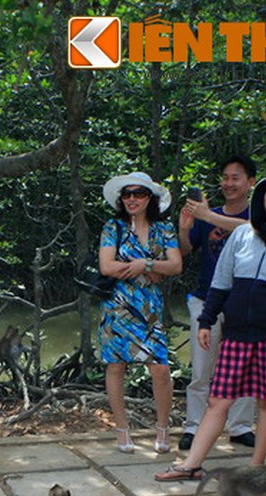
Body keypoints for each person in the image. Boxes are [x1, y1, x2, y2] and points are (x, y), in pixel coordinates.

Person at [155, 170, 266, 481]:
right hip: (237, 334)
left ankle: (256, 469)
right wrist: (206, 320)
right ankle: (191, 465)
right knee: (219, 399)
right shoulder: (243, 235)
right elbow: (221, 282)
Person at [97, 171, 182, 454]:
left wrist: (144, 265)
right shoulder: (113, 227)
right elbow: (106, 267)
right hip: (117, 307)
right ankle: (122, 430)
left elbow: (176, 266)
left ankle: (162, 427)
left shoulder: (164, 228)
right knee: (116, 366)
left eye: (139, 193)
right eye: (127, 194)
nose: (132, 198)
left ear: (150, 198)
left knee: (160, 368)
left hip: (150, 308)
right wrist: (150, 268)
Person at [178, 156, 258, 451]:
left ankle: (240, 427)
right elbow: (186, 251)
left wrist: (207, 215)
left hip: (244, 303)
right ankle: (194, 426)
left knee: (245, 368)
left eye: (235, 177)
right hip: (205, 301)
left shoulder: (258, 214)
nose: (228, 183)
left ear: (250, 182)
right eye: (225, 177)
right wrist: (186, 228)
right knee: (201, 369)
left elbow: (253, 230)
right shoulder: (205, 216)